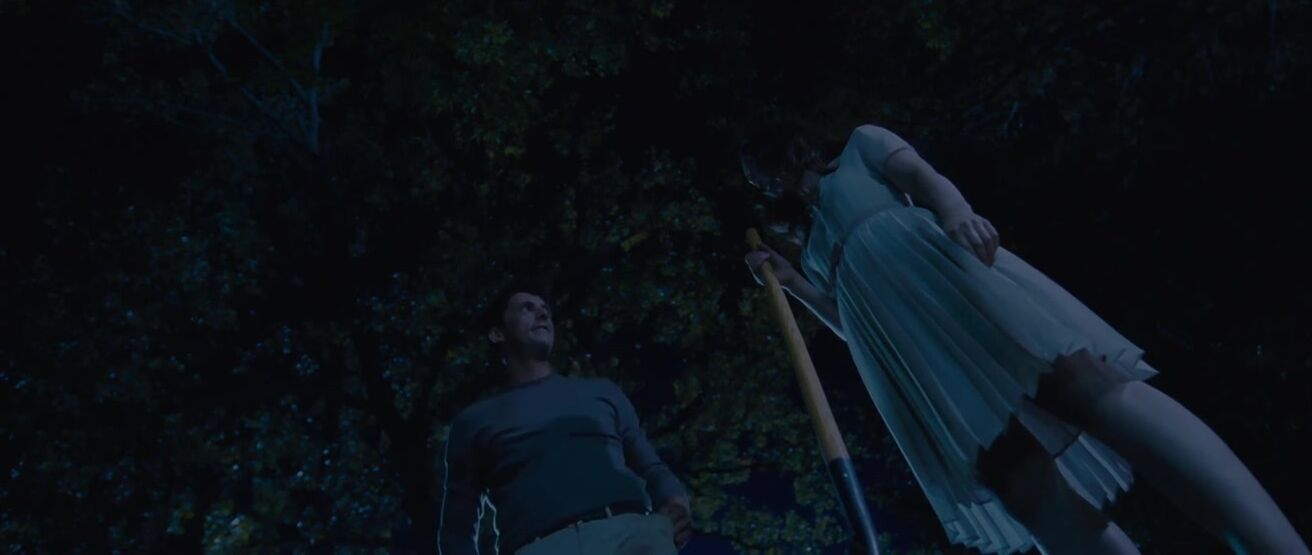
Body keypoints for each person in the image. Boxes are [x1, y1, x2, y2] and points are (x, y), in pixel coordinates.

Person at [741, 123, 1308, 554]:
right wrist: (793, 284)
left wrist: (956, 211)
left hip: (946, 282)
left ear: (789, 150)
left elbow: (921, 176)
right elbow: (852, 325)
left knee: (1080, 386)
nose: (762, 182)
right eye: (755, 181)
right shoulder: (813, 247)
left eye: (761, 167)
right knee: (1013, 475)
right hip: (919, 355)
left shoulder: (860, 149)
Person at [438, 281, 693, 554]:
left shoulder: (602, 392)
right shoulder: (473, 422)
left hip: (630, 537)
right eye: (527, 308)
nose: (542, 314)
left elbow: (650, 464)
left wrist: (674, 499)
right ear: (497, 333)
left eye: (545, 310)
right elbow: (457, 526)